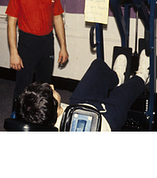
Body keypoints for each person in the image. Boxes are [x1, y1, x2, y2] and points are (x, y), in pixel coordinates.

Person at [15, 49, 149, 131]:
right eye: (51, 92)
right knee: (124, 93)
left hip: (77, 106)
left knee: (97, 67)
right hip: (105, 120)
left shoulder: (44, 115)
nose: (52, 86)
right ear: (54, 108)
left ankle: (117, 78)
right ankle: (143, 76)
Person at [6, 0, 69, 104]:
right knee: (23, 86)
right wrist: (14, 52)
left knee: (44, 87)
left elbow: (57, 19)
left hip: (47, 42)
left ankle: (41, 121)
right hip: (27, 43)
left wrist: (63, 47)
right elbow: (11, 22)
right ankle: (17, 120)